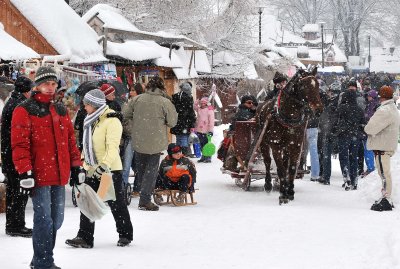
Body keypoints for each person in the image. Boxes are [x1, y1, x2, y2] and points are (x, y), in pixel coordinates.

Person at [11, 66, 82, 269]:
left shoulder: (60, 109)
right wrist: (25, 170)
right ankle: (44, 262)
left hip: (59, 174)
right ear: (37, 85)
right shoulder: (24, 109)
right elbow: (20, 144)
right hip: (39, 174)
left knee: (56, 220)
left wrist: (76, 165)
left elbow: (70, 140)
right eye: (45, 84)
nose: (50, 88)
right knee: (44, 220)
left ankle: (40, 258)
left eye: (53, 84)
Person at [65, 89, 133, 248]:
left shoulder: (111, 120)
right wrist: (83, 164)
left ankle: (125, 234)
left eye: (86, 104)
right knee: (88, 201)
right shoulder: (91, 120)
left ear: (94, 105)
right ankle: (85, 237)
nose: (84, 107)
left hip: (108, 170)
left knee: (115, 203)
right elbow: (87, 146)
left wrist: (103, 166)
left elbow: (113, 148)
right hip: (90, 168)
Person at [122, 76, 177, 211]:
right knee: (151, 172)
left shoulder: (137, 99)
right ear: (161, 88)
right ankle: (145, 200)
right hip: (155, 141)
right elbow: (172, 122)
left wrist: (135, 125)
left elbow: (125, 114)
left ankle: (143, 194)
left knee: (142, 170)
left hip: (139, 139)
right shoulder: (164, 102)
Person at [1, 76, 33, 237]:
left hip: (8, 154)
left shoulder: (11, 101)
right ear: (26, 91)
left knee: (14, 190)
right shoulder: (18, 105)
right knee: (18, 191)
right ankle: (15, 225)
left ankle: (13, 224)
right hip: (14, 155)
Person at [365, 86, 400, 211]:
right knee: (385, 173)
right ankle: (386, 197)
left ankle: (386, 199)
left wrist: (366, 127)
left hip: (382, 146)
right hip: (386, 145)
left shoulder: (384, 110)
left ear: (382, 96)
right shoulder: (392, 108)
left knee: (384, 174)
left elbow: (370, 128)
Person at [333, 88, 366, 191]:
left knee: (343, 157)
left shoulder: (341, 108)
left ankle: (346, 178)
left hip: (343, 135)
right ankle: (354, 180)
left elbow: (335, 121)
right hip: (356, 136)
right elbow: (363, 123)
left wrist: (335, 130)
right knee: (354, 158)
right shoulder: (359, 109)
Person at [222, 95, 257, 172]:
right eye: (249, 102)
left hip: (243, 138)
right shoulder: (244, 112)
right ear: (244, 103)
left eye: (252, 103)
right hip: (245, 138)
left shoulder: (246, 111)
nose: (251, 104)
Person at [122, 83, 144, 190]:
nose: (131, 92)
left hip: (140, 137)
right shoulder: (127, 103)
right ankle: (124, 187)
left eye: (133, 90)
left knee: (139, 165)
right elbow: (123, 117)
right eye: (130, 90)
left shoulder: (143, 103)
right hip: (129, 136)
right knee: (126, 164)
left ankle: (138, 187)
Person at [170, 82, 196, 156]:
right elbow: (191, 111)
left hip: (176, 121)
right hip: (185, 122)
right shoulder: (189, 97)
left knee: (179, 139)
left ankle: (177, 154)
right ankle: (184, 154)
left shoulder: (175, 97)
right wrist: (192, 123)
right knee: (184, 138)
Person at [361, 89, 379, 177]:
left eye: (369, 96)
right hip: (368, 130)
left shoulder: (375, 106)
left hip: (371, 131)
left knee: (368, 150)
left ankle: (371, 168)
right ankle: (370, 167)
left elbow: (373, 118)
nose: (368, 97)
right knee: (368, 149)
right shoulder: (369, 104)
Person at [194, 97, 215, 163]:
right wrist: (197, 101)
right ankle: (203, 156)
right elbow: (194, 107)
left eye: (204, 103)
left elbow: (211, 121)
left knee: (207, 144)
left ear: (206, 103)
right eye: (201, 103)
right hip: (199, 130)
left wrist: (210, 130)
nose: (202, 104)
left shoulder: (209, 110)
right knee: (201, 144)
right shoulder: (199, 109)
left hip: (206, 131)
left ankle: (208, 157)